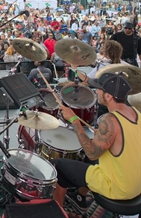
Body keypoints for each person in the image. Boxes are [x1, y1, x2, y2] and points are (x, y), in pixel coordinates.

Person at [52, 73, 140, 212]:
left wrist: (74, 120)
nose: (96, 91)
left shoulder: (110, 119)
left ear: (109, 96)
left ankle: (57, 212)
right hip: (137, 185)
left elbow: (92, 153)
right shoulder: (136, 112)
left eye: (99, 89)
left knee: (58, 167)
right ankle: (80, 197)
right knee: (88, 160)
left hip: (119, 189)